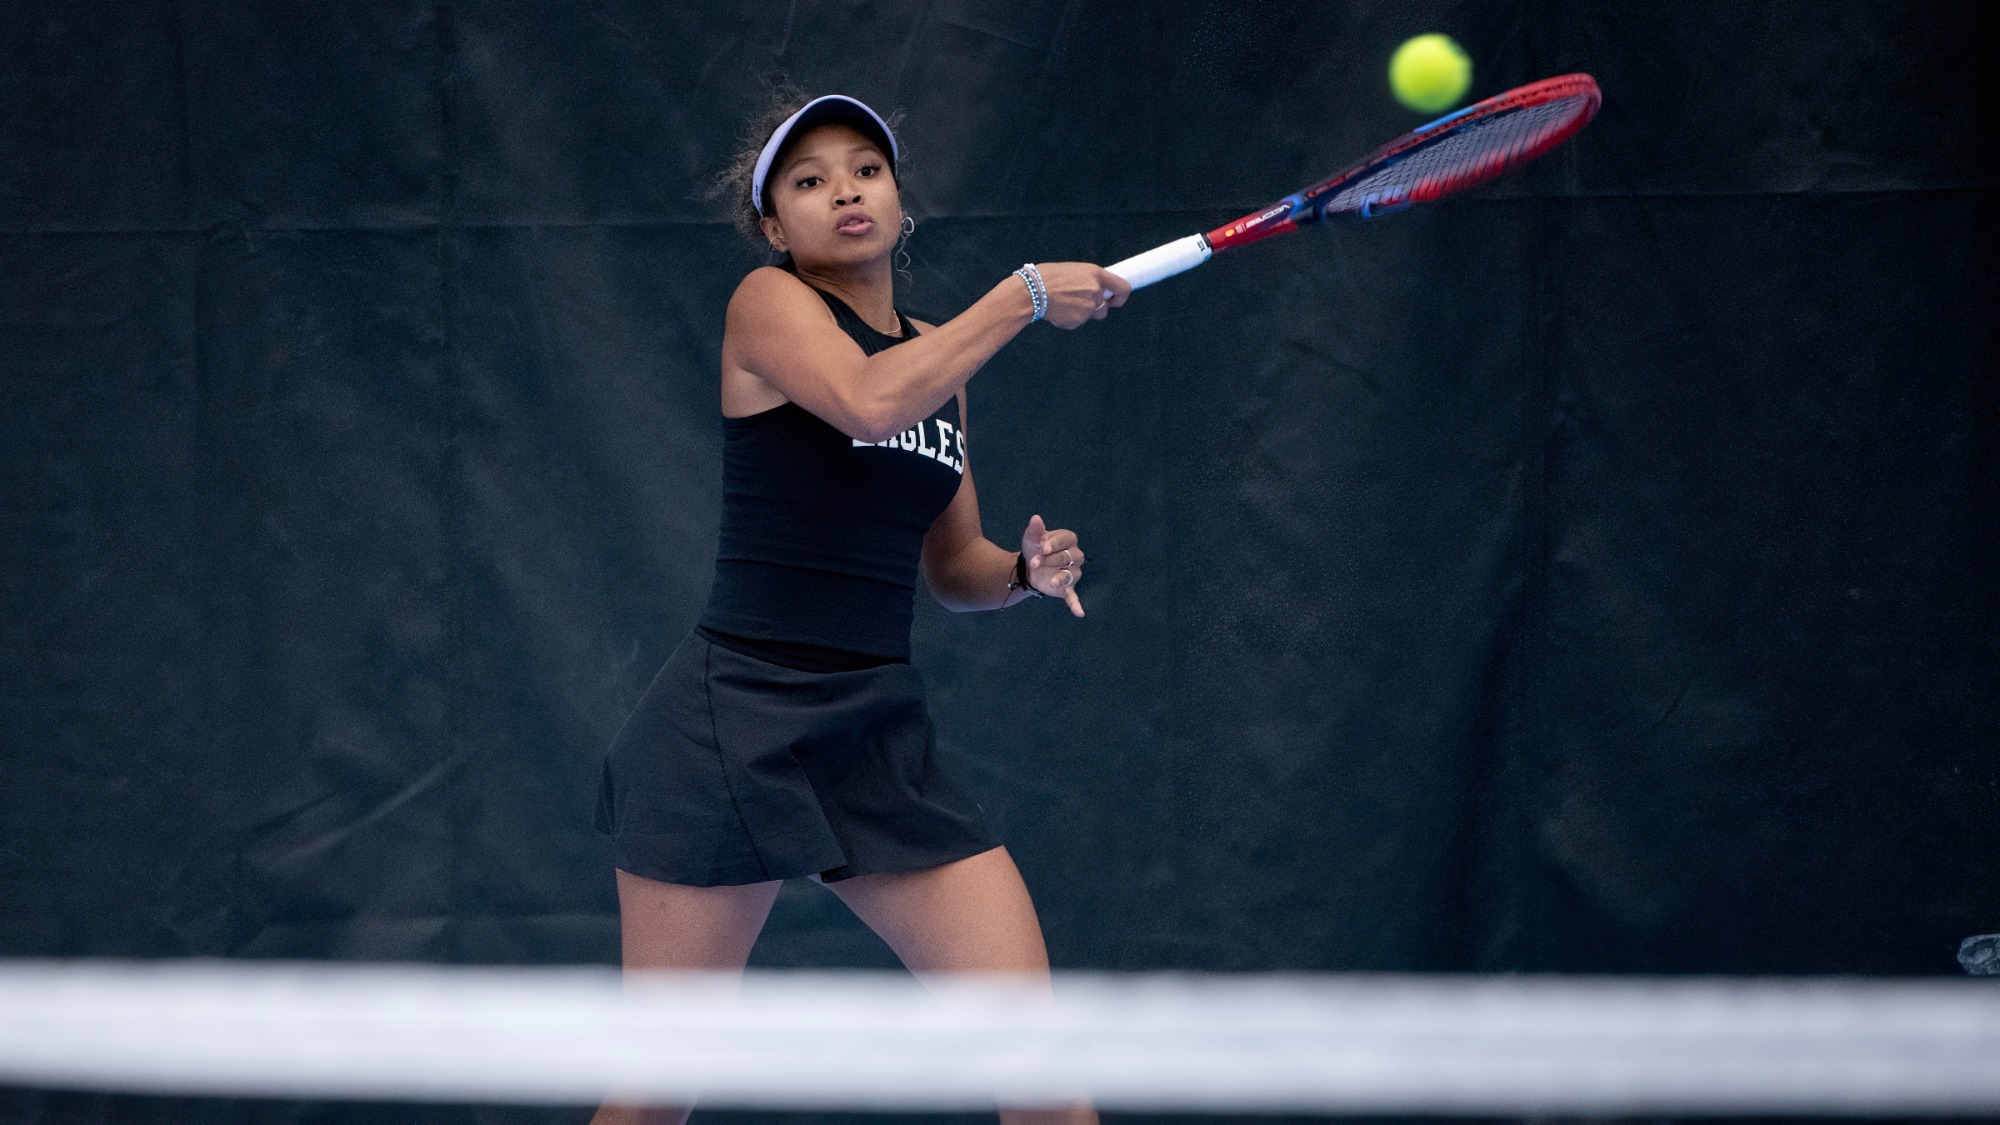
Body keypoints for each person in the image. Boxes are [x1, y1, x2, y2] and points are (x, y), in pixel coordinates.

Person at [589, 90, 1129, 1125]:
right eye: (807, 179)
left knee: (1045, 1083)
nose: (844, 188)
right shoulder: (769, 304)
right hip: (729, 728)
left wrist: (1023, 573)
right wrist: (1018, 296)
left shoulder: (938, 355)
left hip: (873, 732)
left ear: (896, 197)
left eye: (864, 167)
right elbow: (868, 401)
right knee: (654, 1099)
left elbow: (950, 565)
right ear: (773, 228)